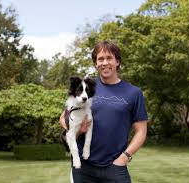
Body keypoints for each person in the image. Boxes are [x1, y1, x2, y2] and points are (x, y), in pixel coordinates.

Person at [59, 40, 148, 183]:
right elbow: (63, 118)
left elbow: (141, 131)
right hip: (83, 167)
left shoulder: (133, 93)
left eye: (109, 58)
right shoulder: (86, 87)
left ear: (117, 61)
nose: (104, 63)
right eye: (100, 59)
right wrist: (78, 130)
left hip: (116, 166)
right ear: (95, 64)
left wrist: (124, 157)